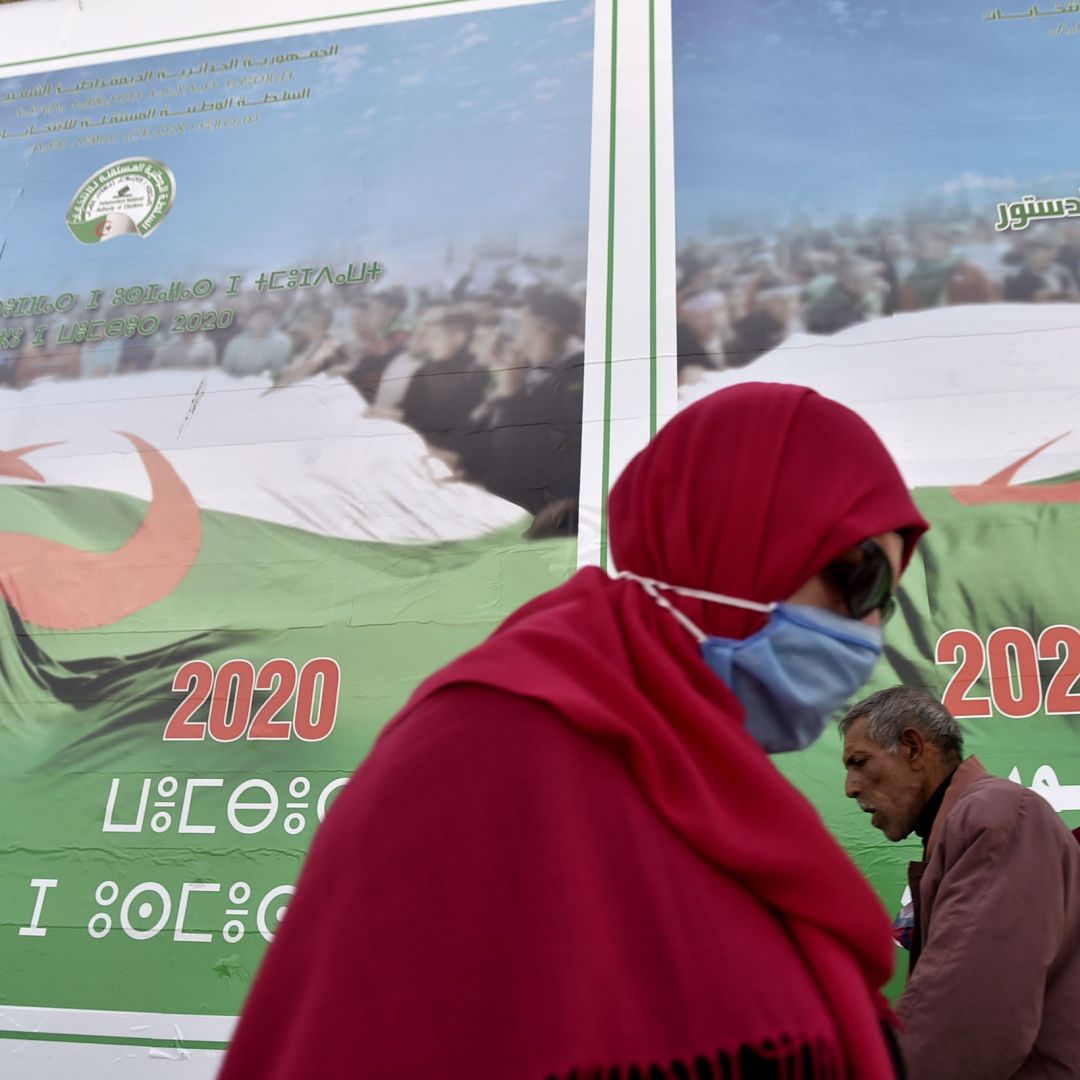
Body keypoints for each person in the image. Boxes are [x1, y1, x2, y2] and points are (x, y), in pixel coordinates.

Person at [220, 383, 928, 1080]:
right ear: (731, 530)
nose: (868, 629)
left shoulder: (724, 785)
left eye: (885, 601)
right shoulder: (483, 741)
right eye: (857, 576)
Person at [840, 686, 1080, 1078]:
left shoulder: (996, 815)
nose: (850, 787)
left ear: (913, 748)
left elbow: (970, 1016)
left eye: (859, 762)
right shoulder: (973, 822)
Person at [221, 305, 294, 377]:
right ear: (249, 321)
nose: (262, 322)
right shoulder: (236, 342)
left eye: (266, 318)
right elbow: (226, 370)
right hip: (236, 383)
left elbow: (278, 370)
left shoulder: (282, 341)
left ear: (272, 320)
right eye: (258, 318)